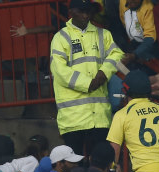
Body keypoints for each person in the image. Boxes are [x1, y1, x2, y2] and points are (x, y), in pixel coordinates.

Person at [49, 0, 124, 156]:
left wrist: (104, 72)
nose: (86, 15)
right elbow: (59, 70)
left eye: (89, 11)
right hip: (73, 118)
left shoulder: (104, 34)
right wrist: (88, 84)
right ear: (71, 12)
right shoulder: (60, 37)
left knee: (98, 166)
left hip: (100, 116)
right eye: (81, 11)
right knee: (76, 167)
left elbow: (117, 54)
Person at [118, 0, 157, 65]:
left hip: (148, 46)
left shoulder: (148, 8)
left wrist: (136, 54)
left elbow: (150, 38)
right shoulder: (122, 2)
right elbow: (123, 23)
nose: (132, 2)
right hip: (132, 42)